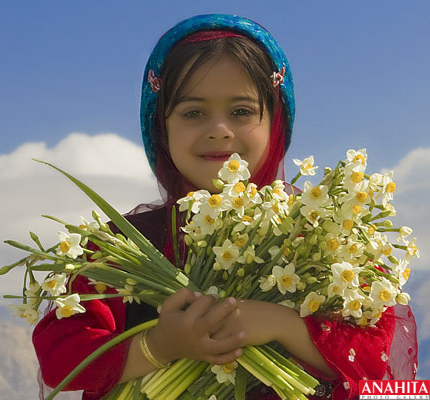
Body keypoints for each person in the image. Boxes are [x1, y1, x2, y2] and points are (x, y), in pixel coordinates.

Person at [32, 14, 418, 400]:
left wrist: (282, 324)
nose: (219, 129)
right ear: (160, 128)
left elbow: (378, 356)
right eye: (193, 112)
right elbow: (60, 360)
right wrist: (160, 346)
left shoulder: (326, 236)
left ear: (276, 122)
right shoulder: (125, 247)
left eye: (241, 112)